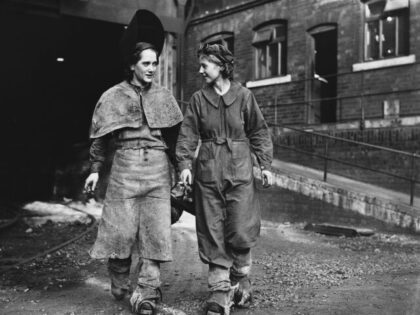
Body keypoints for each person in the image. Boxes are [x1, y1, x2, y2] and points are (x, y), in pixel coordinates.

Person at [84, 10, 184, 315]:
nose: (153, 68)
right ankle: (119, 279)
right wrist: (94, 170)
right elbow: (100, 138)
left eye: (155, 63)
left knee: (155, 234)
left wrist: (182, 170)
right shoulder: (112, 96)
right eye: (146, 63)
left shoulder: (165, 97)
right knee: (120, 234)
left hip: (156, 171)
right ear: (132, 65)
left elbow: (177, 141)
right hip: (125, 172)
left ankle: (147, 293)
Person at [176, 43, 273, 315]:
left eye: (204, 65)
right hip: (208, 171)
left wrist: (264, 165)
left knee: (241, 227)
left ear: (220, 65)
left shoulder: (244, 96)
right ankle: (219, 290)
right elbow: (187, 135)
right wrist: (184, 164)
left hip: (240, 169)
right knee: (212, 229)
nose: (200, 70)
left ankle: (240, 278)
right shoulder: (198, 99)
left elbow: (259, 131)